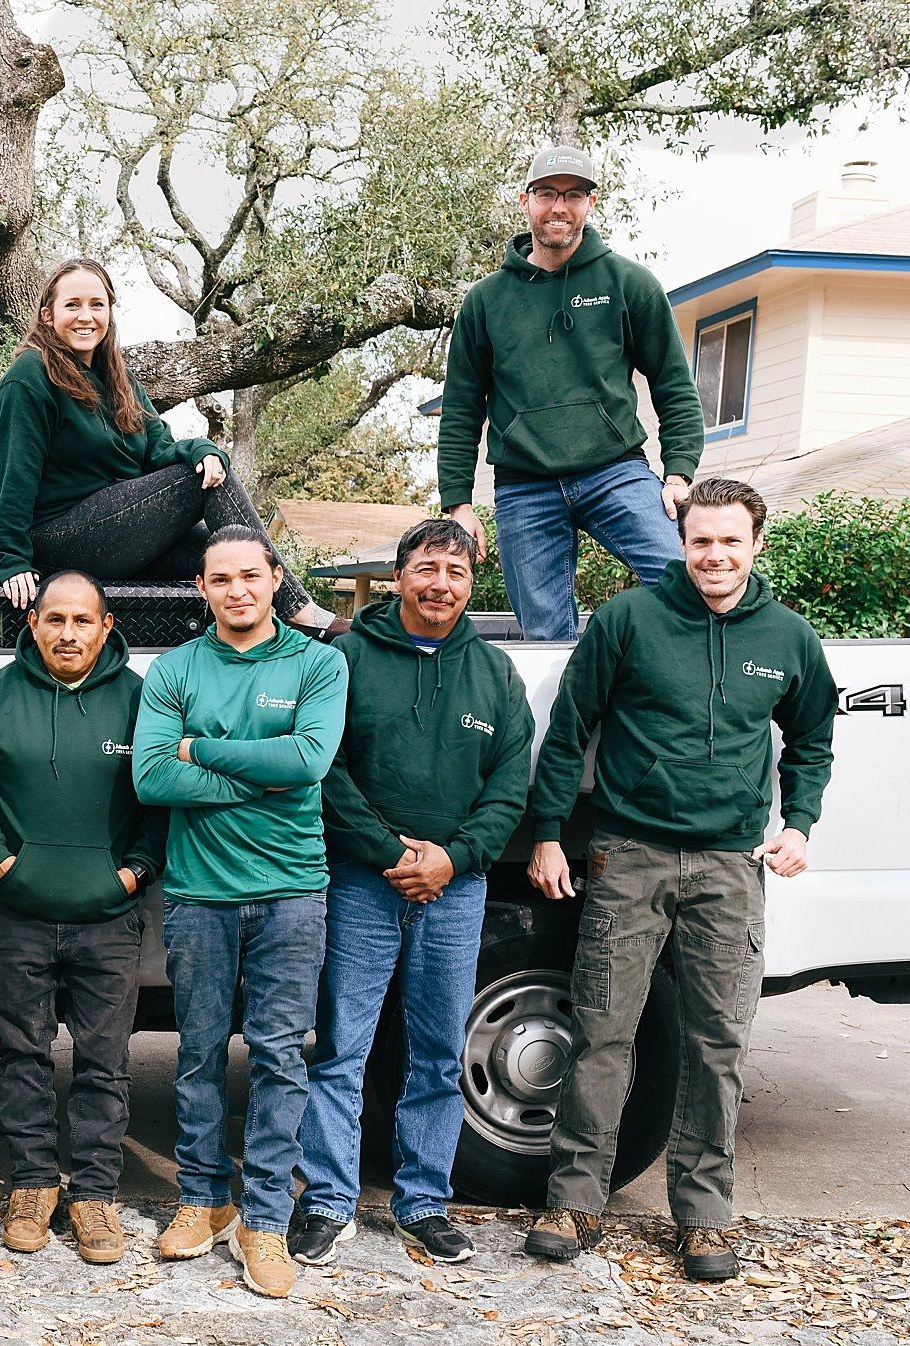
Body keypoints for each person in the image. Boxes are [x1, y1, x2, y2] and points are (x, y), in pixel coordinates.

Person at [522, 478, 835, 1281]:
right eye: (701, 541)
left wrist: (797, 823)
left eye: (730, 541)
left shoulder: (792, 639)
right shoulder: (629, 620)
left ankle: (702, 1215)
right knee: (602, 1030)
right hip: (629, 856)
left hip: (733, 865)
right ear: (682, 542)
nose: (715, 556)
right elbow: (569, 732)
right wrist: (550, 835)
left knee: (717, 1041)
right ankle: (575, 1200)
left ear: (757, 542)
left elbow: (811, 741)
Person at [293, 519, 534, 1268]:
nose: (441, 584)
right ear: (400, 576)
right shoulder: (345, 658)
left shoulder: (494, 673)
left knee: (436, 1052)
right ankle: (328, 1199)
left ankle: (423, 1201)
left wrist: (453, 859)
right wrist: (392, 851)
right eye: (427, 568)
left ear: (472, 586)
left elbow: (508, 786)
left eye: (457, 573)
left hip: (454, 893)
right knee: (341, 1048)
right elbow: (324, 770)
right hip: (364, 885)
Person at [132, 526, 347, 1297]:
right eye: (220, 580)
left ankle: (264, 1221)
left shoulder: (318, 663)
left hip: (292, 891)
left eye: (250, 576)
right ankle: (202, 1200)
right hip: (199, 894)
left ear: (276, 578)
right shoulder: (176, 668)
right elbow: (152, 779)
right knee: (195, 1054)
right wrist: (261, 776)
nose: (237, 591)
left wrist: (203, 750)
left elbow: (309, 761)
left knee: (282, 1056)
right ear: (201, 589)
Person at [0, 569, 166, 1265]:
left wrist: (134, 870)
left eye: (83, 621)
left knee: (103, 1061)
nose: (68, 633)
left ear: (108, 627)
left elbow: (162, 800)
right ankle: (30, 1185)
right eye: (55, 620)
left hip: (109, 918)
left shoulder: (144, 701)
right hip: (19, 912)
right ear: (34, 625)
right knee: (22, 1054)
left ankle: (96, 1196)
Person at [437, 145, 705, 642]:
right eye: (547, 194)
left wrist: (678, 472)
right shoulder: (485, 300)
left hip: (615, 472)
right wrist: (458, 502)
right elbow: (460, 408)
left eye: (573, 194)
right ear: (525, 201)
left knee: (686, 586)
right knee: (544, 635)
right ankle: (566, 720)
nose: (559, 206)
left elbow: (674, 385)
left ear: (590, 203)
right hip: (524, 486)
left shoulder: (629, 283)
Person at [0, 256, 336, 631]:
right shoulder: (31, 374)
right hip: (60, 538)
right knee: (196, 480)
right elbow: (14, 474)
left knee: (221, 548)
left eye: (96, 305)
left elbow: (160, 450)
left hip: (120, 532)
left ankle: (274, 638)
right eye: (72, 305)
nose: (85, 316)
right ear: (46, 315)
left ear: (109, 313)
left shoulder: (121, 381)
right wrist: (12, 559)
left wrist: (202, 449)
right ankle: (300, 611)